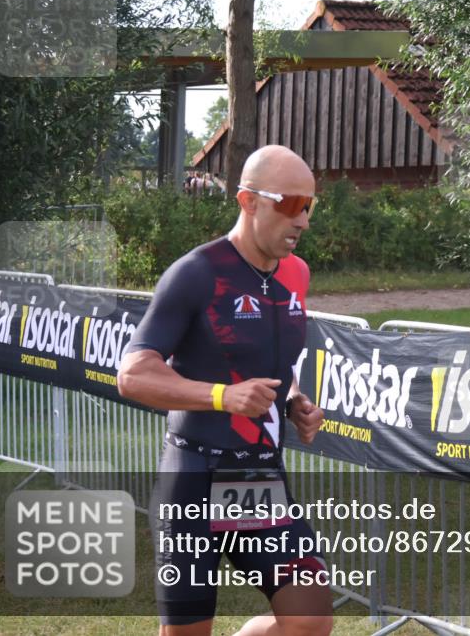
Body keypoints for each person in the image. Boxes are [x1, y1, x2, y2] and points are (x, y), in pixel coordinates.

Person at [118, 145, 330, 636]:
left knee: (311, 620)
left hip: (257, 480)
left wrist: (294, 399)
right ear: (248, 201)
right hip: (193, 476)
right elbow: (133, 373)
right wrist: (222, 396)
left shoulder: (296, 274)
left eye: (311, 206)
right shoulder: (196, 273)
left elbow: (270, 362)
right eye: (292, 204)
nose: (303, 220)